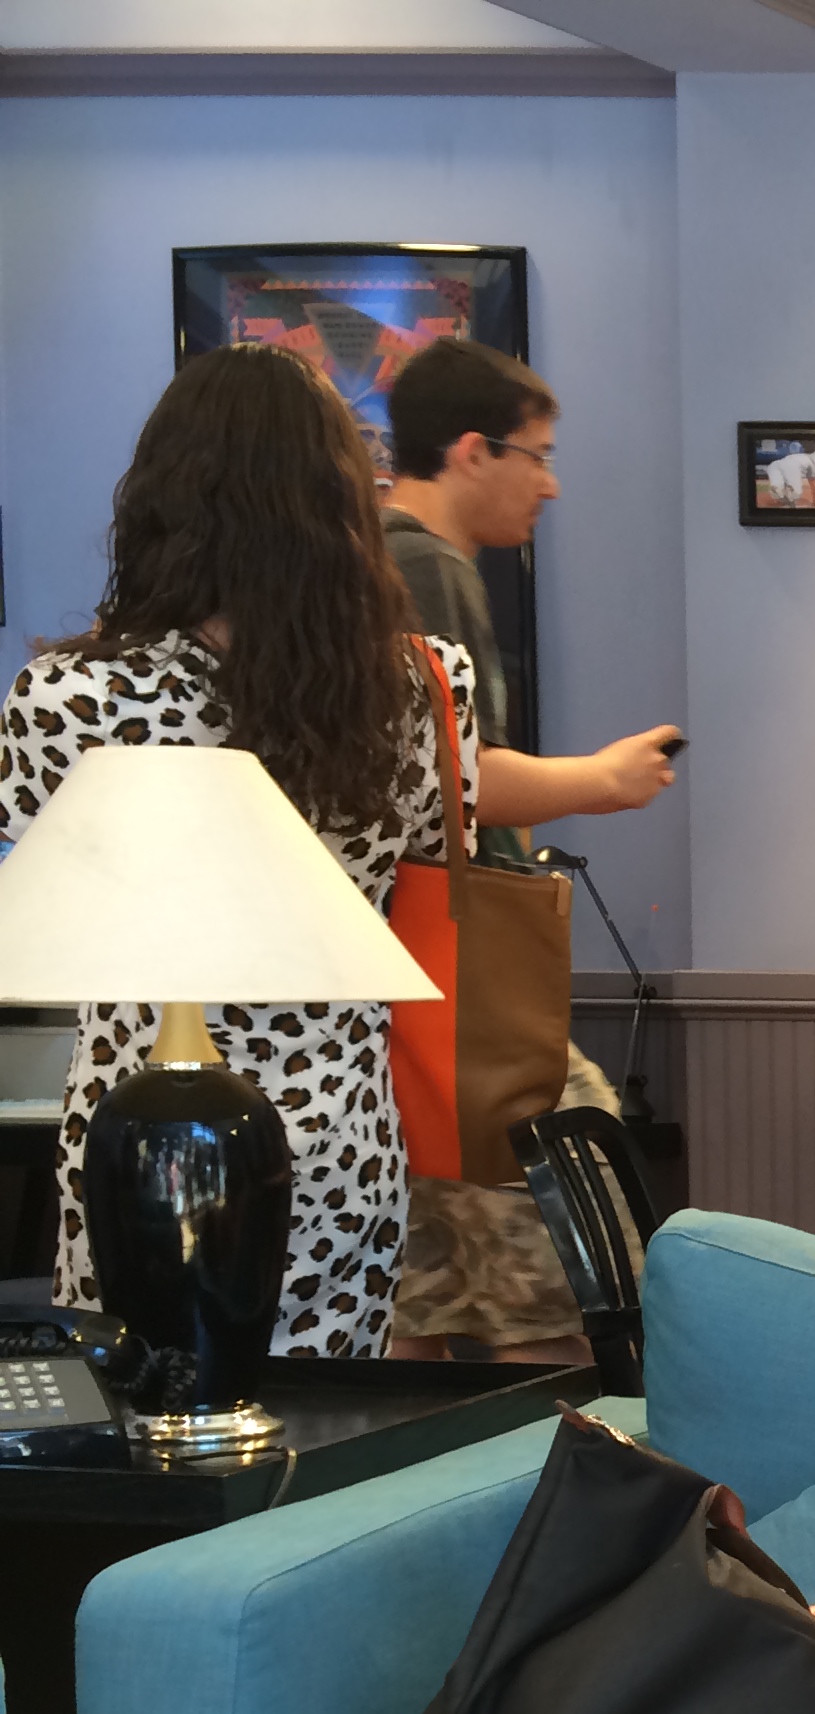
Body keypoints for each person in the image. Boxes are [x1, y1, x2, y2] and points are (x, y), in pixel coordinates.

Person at [0, 345, 478, 1356]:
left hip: (136, 1128)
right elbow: (441, 846)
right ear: (342, 504)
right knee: (327, 1425)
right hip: (339, 1133)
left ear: (163, 500)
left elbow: (55, 877)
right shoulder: (423, 685)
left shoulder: (71, 699)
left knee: (144, 1416)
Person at [377, 337, 682, 1366]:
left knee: (414, 1308)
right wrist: (604, 780)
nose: (549, 485)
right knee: (576, 1297)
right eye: (537, 456)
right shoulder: (426, 566)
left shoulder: (378, 561)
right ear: (473, 451)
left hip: (408, 991)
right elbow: (452, 777)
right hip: (469, 986)